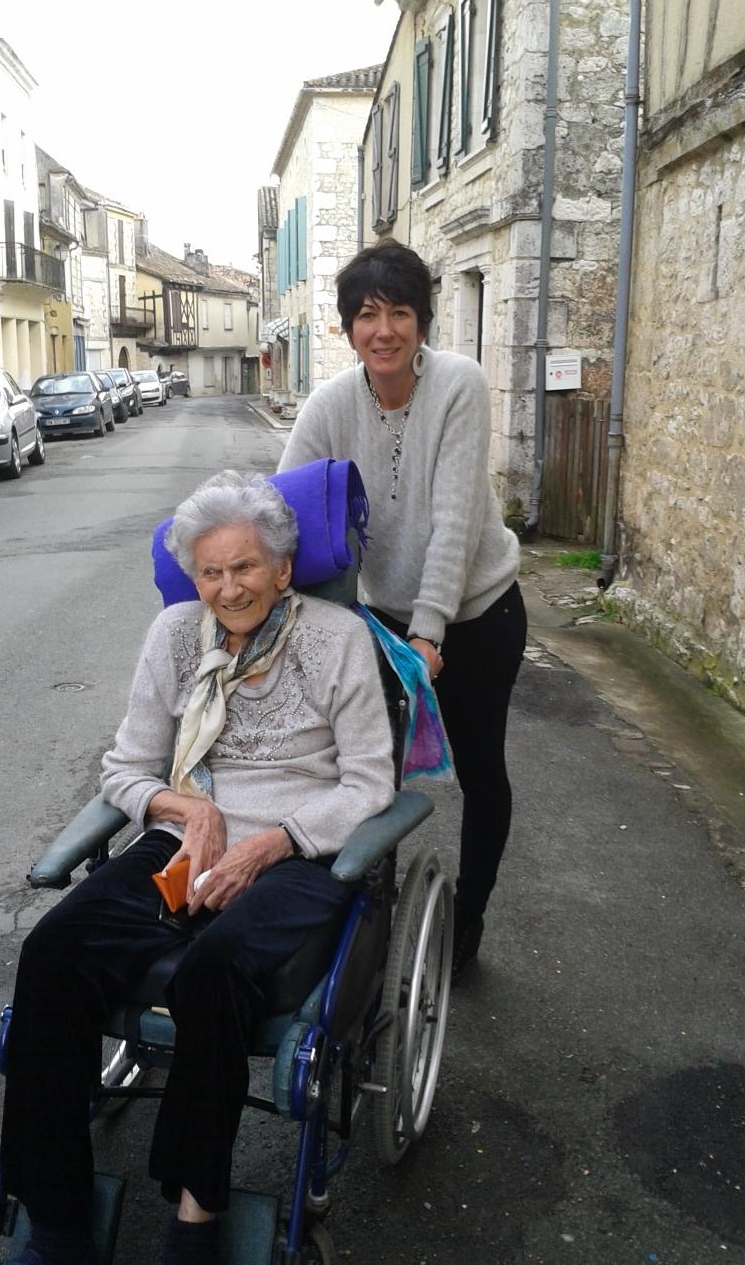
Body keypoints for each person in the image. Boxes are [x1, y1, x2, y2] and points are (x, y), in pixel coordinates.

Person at [0, 471, 395, 1265]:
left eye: (245, 567)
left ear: (283, 568)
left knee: (211, 971)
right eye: (210, 571)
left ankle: (194, 1213)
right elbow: (127, 769)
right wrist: (189, 811)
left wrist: (273, 838)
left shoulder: (336, 638)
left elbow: (368, 784)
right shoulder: (177, 634)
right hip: (189, 837)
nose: (228, 587)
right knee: (51, 956)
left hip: (299, 847)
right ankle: (57, 1220)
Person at [280, 238, 525, 980]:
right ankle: (361, 914)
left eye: (398, 312)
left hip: (477, 613)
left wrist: (428, 632)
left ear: (422, 320)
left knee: (481, 771)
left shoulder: (459, 384)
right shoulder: (330, 404)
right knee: (364, 771)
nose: (381, 329)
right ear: (347, 329)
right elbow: (280, 506)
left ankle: (469, 919)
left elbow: (455, 521)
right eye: (364, 315)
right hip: (382, 621)